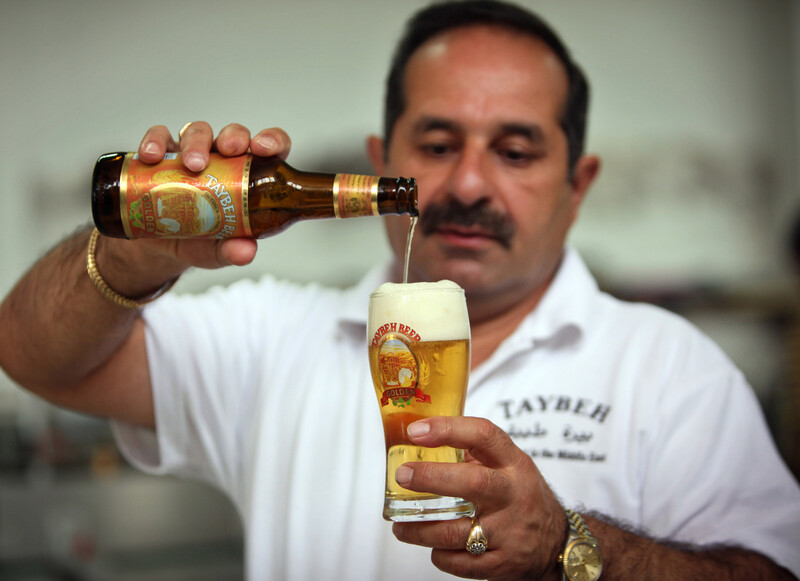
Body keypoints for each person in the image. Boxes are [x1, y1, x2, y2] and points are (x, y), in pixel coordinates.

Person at [1, 1, 798, 579]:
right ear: (383, 159)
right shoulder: (272, 335)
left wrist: (572, 545)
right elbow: (31, 353)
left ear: (577, 183)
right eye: (439, 142)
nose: (470, 182)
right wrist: (139, 253)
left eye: (516, 150)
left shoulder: (670, 368)